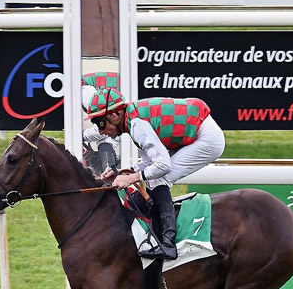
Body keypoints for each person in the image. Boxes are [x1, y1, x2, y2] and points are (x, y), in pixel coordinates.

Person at [83, 87, 225, 260]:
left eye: (100, 123)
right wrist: (125, 172)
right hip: (198, 130)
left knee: (160, 179)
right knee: (153, 178)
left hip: (207, 139)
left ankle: (168, 245)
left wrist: (132, 178)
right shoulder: (132, 120)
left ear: (115, 115)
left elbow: (163, 166)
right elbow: (150, 162)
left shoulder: (137, 125)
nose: (100, 132)